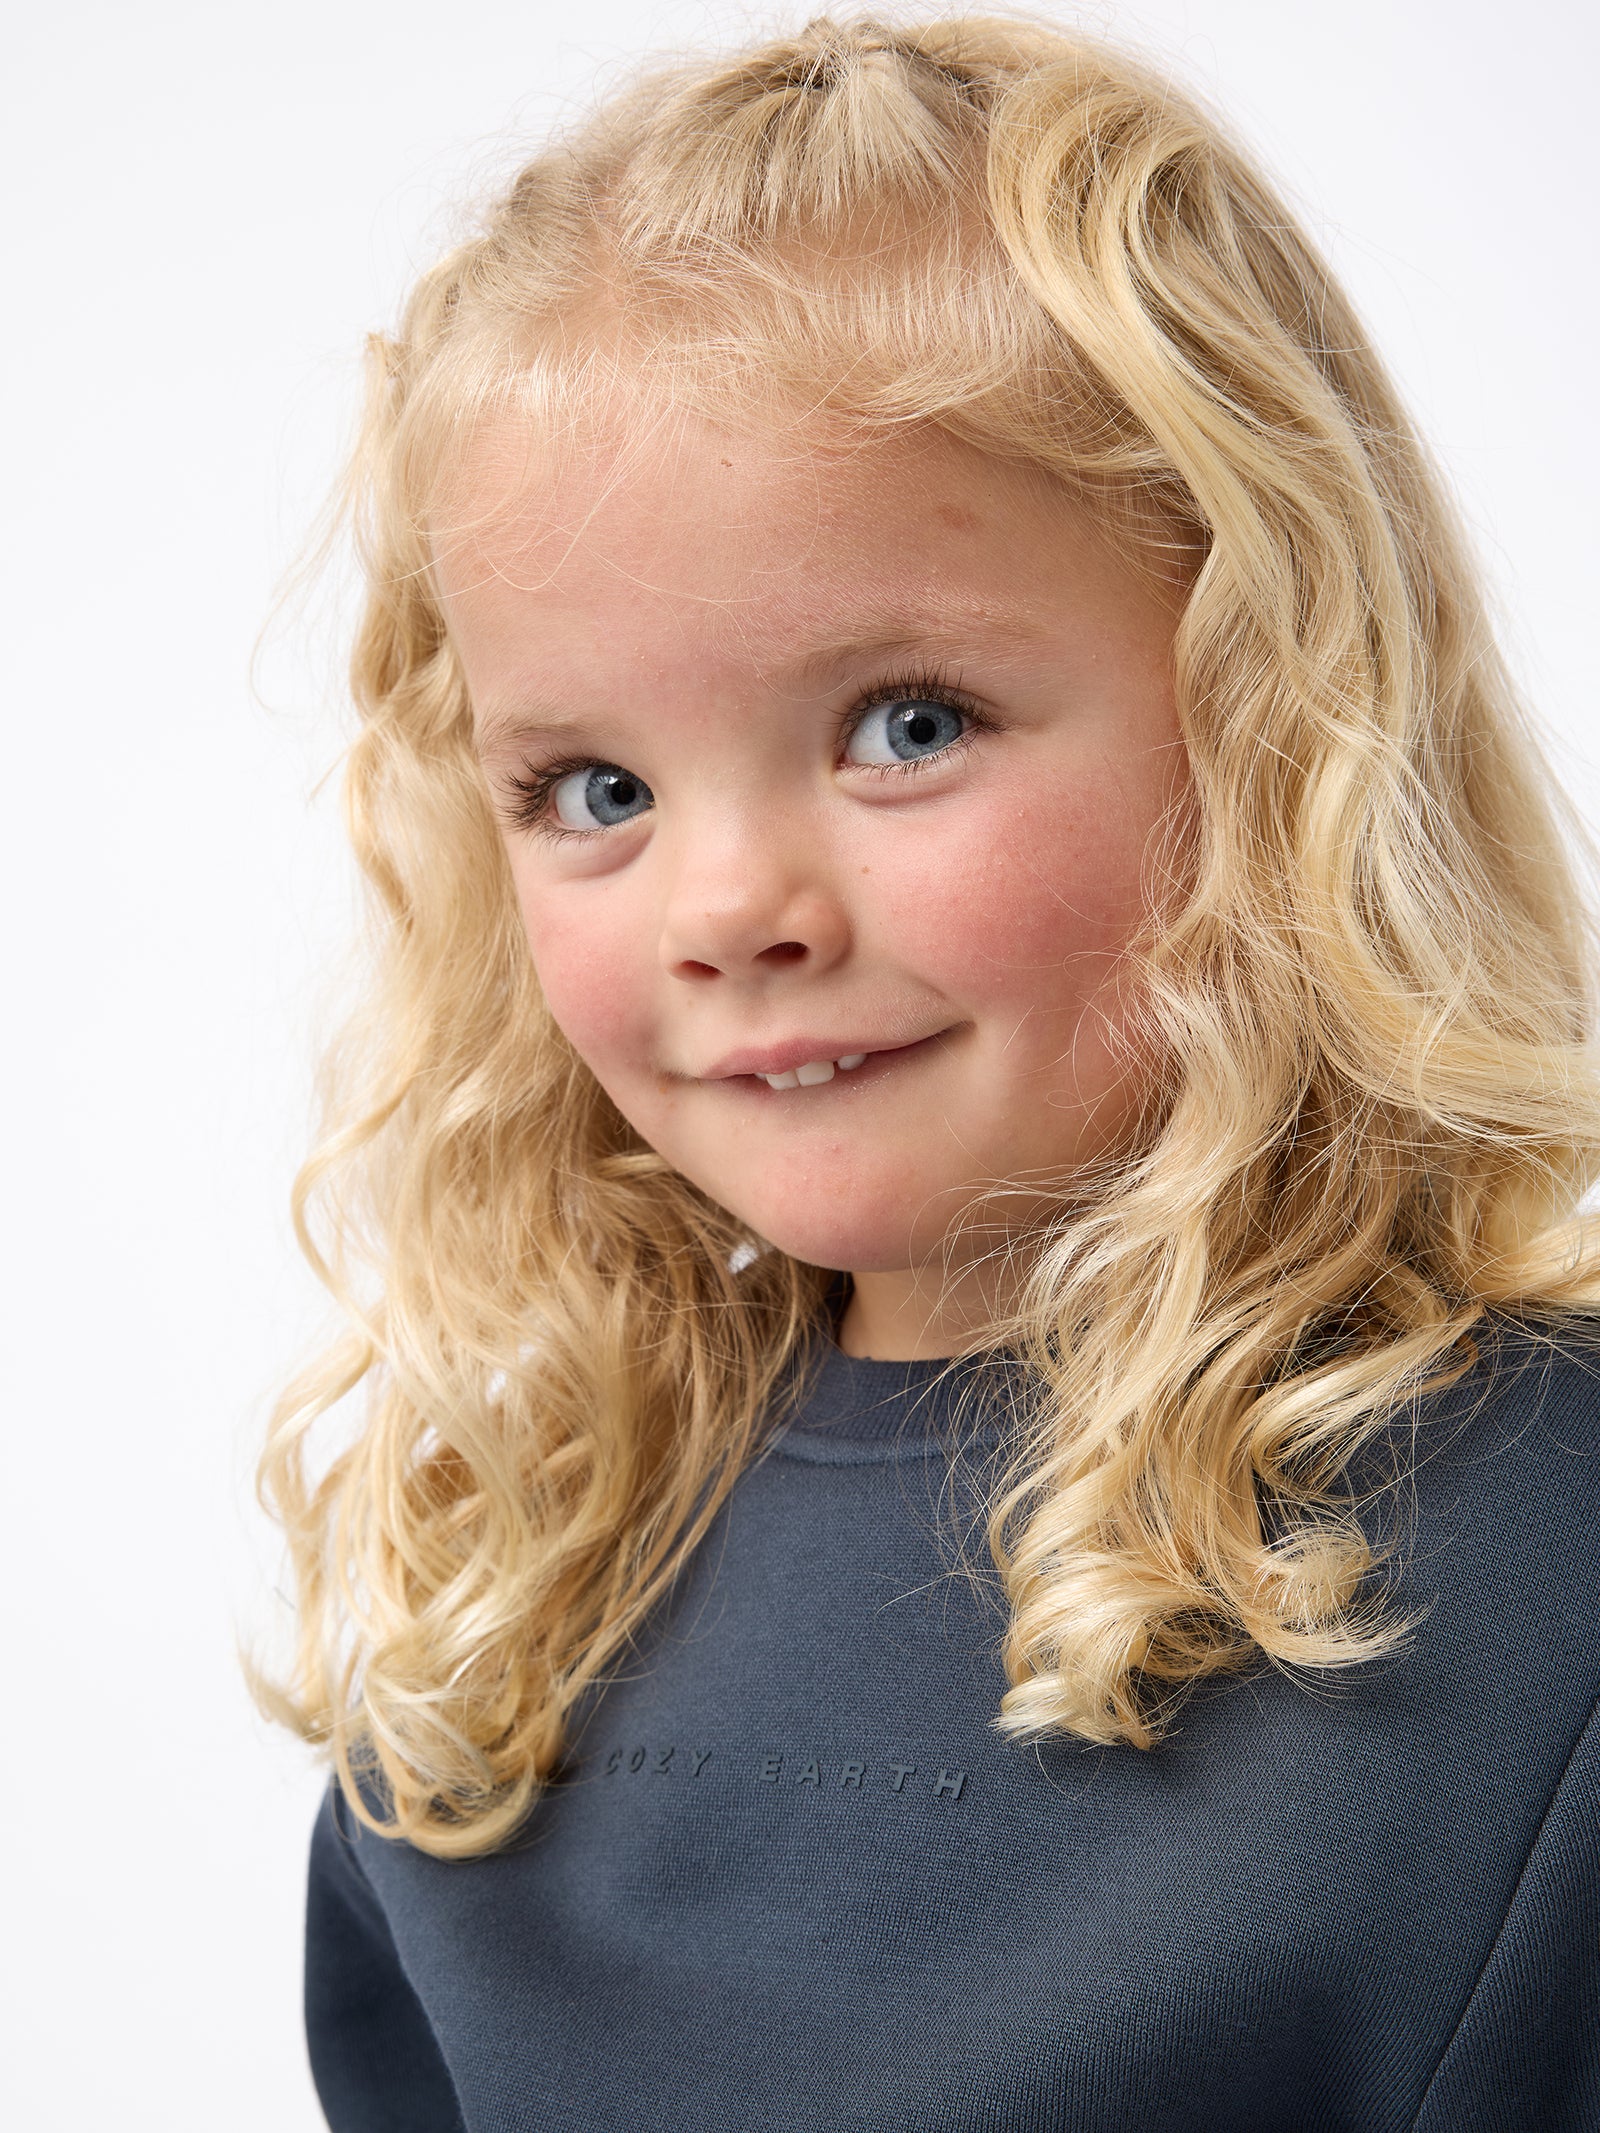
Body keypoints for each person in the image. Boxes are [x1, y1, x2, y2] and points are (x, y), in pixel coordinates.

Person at [256, 13, 1600, 2129]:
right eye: (591, 783)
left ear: (1271, 705)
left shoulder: (1545, 1564)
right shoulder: (506, 1604)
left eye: (904, 723)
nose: (725, 904)